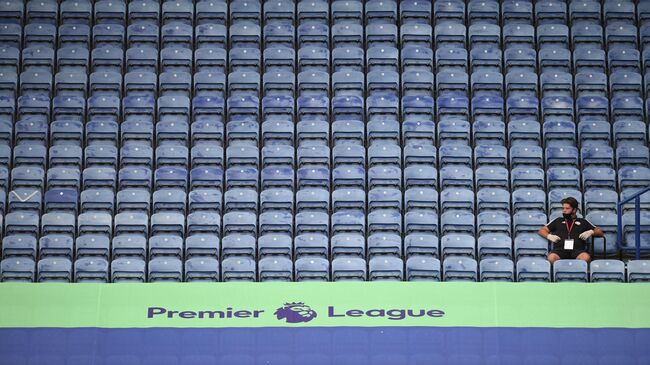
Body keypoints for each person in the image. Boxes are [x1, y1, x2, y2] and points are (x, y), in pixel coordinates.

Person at [537, 197, 604, 264]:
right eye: (563, 208)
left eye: (567, 208)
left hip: (578, 251)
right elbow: (542, 230)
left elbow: (600, 232)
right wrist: (549, 236)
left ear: (574, 210)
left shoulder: (583, 221)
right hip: (559, 250)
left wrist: (591, 232)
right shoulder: (558, 220)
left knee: (586, 258)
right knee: (551, 258)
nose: (564, 210)